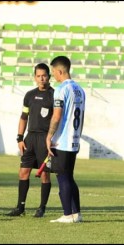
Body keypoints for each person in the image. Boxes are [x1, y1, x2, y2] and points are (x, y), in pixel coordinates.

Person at [6, 63, 54, 218]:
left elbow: (59, 119)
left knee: (45, 175)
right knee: (23, 172)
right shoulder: (29, 95)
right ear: (35, 77)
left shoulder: (55, 95)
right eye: (38, 76)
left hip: (46, 139)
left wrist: (53, 139)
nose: (41, 79)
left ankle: (42, 208)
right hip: (30, 138)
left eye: (44, 75)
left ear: (49, 76)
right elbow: (23, 117)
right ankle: (20, 207)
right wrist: (19, 137)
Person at [46, 56, 85, 223]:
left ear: (60, 71)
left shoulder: (61, 89)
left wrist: (49, 136)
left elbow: (56, 116)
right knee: (69, 176)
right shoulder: (80, 89)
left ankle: (67, 214)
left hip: (62, 140)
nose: (53, 75)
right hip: (74, 138)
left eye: (54, 72)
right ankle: (77, 214)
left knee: (62, 176)